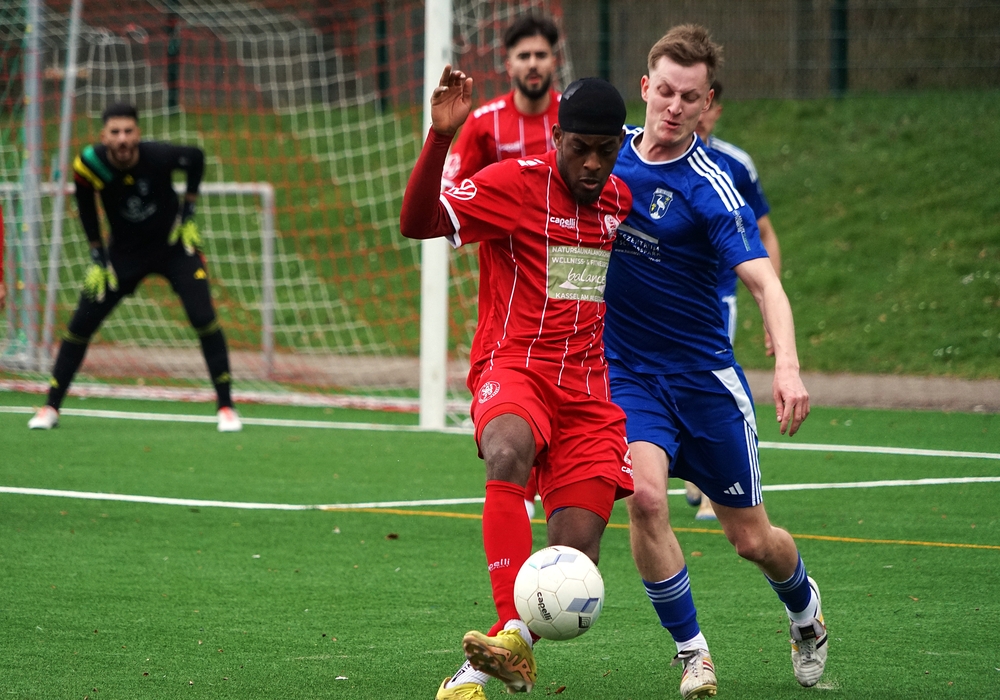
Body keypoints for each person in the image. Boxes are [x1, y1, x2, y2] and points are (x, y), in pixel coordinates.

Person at [604, 25, 825, 698]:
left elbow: (766, 284)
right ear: (645, 87)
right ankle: (692, 654)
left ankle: (805, 610)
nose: (674, 107)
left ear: (707, 105)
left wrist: (787, 366)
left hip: (704, 384)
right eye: (665, 92)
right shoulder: (603, 157)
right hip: (628, 374)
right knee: (645, 499)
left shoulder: (714, 187)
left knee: (753, 541)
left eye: (689, 98)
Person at [401, 67, 633, 700]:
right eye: (578, 148)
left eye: (604, 150)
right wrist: (439, 138)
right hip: (515, 368)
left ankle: (499, 660)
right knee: (506, 451)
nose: (591, 164)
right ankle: (508, 629)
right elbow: (417, 221)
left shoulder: (620, 201)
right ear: (556, 138)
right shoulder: (514, 184)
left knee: (574, 560)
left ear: (619, 146)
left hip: (588, 396)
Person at [27, 103, 241, 432]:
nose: (122, 139)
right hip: (123, 255)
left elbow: (197, 157)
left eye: (128, 131)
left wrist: (188, 214)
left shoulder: (159, 156)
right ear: (103, 136)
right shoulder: (90, 165)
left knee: (203, 317)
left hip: (172, 248)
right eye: (115, 132)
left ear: (138, 133)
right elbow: (85, 206)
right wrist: (97, 255)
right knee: (80, 323)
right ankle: (50, 407)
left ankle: (226, 407)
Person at [443, 13, 562, 519]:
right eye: (524, 55)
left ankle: (563, 474)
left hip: (573, 267)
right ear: (508, 64)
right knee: (516, 360)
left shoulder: (572, 119)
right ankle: (521, 478)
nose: (533, 64)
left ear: (555, 60)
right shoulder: (485, 122)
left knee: (567, 364)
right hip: (509, 273)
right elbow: (450, 191)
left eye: (541, 55)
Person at [684, 80, 784, 521]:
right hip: (663, 300)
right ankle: (688, 468)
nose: (692, 112)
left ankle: (713, 491)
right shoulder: (643, 156)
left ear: (713, 108)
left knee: (707, 378)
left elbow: (764, 234)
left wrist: (770, 308)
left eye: (699, 101)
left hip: (717, 297)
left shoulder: (734, 165)